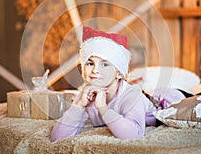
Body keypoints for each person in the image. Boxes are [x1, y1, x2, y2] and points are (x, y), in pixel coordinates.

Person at [51, 26, 186, 141]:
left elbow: (134, 135)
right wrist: (79, 105)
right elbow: (57, 138)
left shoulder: (131, 96)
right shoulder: (87, 94)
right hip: (150, 96)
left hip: (171, 100)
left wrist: (103, 108)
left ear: (119, 74)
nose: (95, 70)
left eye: (105, 64)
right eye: (90, 63)